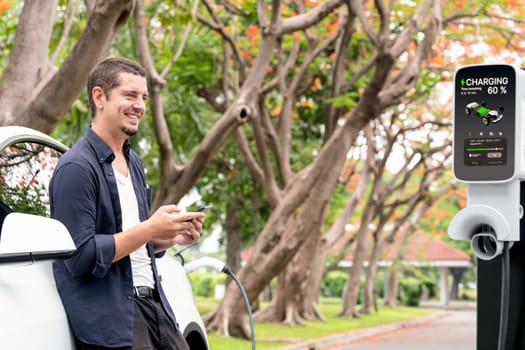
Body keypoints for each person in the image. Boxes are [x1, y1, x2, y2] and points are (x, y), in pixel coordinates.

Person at [50, 57, 205, 350]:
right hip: (114, 320)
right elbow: (80, 257)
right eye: (130, 95)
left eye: (143, 97)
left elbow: (129, 242)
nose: (140, 105)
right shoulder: (75, 168)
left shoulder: (133, 162)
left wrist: (166, 238)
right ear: (99, 97)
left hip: (156, 308)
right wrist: (149, 229)